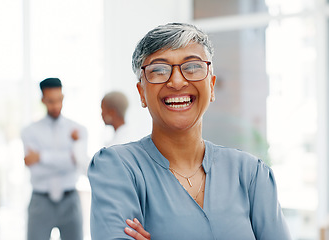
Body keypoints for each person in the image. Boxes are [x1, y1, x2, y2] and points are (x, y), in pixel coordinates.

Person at [88, 23, 291, 240]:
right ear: (142, 93)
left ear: (211, 86)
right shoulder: (117, 168)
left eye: (192, 67)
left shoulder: (251, 175)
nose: (176, 81)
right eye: (159, 70)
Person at [21, 77, 88, 240]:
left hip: (70, 200)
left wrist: (41, 156)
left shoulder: (78, 130)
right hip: (40, 201)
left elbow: (78, 164)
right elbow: (36, 171)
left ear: (63, 97)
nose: (56, 106)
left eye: (59, 100)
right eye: (51, 101)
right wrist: (67, 158)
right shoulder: (29, 131)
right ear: (43, 100)